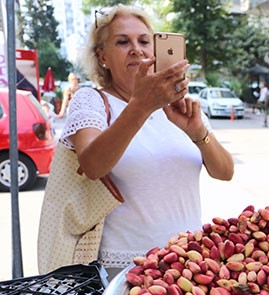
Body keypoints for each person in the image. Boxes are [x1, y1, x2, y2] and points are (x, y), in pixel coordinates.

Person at [39, 5, 234, 277]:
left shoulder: (178, 106)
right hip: (126, 268)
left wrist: (197, 132)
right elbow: (93, 165)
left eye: (144, 41)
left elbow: (225, 171)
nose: (136, 49)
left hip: (189, 261)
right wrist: (141, 105)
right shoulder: (91, 100)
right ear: (102, 56)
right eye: (122, 41)